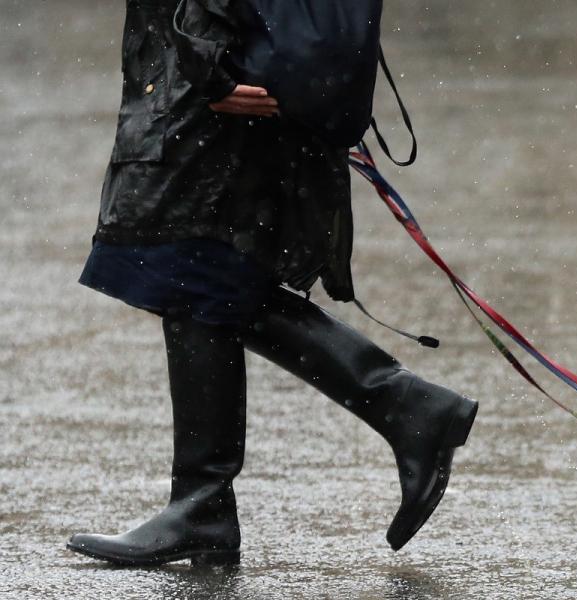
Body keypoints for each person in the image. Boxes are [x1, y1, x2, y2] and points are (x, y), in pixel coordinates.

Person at [66, 0, 477, 566]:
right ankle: (208, 502)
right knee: (199, 276)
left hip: (220, 86)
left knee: (192, 265)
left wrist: (207, 63)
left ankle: (399, 409)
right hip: (212, 71)